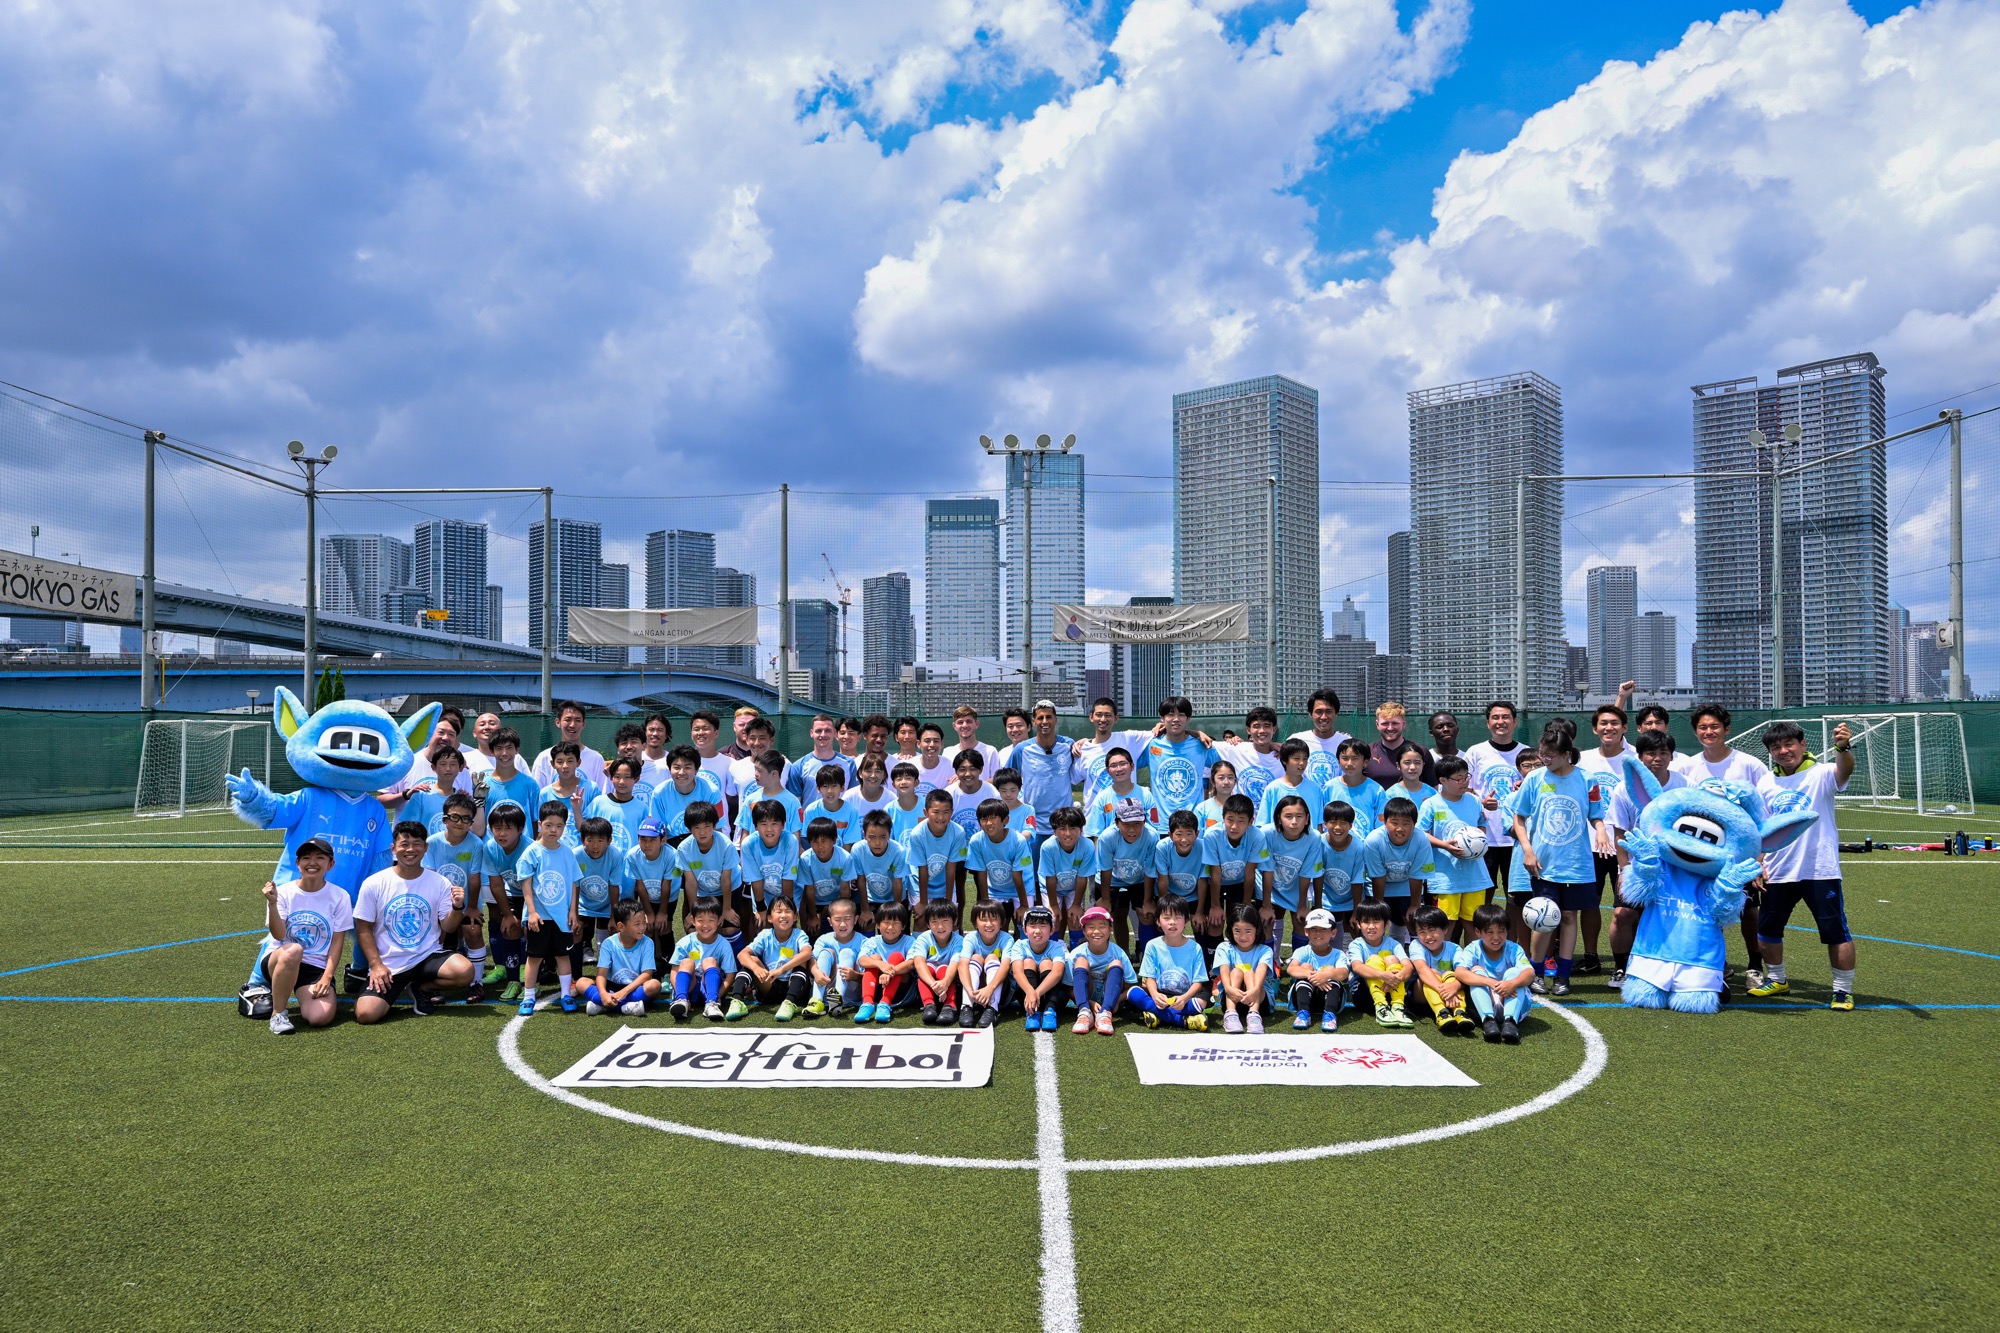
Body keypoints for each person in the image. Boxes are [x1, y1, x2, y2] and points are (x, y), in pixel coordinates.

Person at [1750, 721, 1859, 1009]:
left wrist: (1843, 747)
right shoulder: (1765, 783)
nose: (1784, 751)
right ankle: (1777, 980)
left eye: (1789, 744)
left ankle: (1842, 991)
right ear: (1770, 752)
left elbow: (1844, 770)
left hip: (1819, 869)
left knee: (1836, 932)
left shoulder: (1822, 772)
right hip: (1777, 870)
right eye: (1776, 747)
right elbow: (1762, 828)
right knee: (1768, 930)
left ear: (1802, 744)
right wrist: (1758, 864)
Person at [1674, 701, 1782, 987]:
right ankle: (1716, 965)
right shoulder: (1687, 766)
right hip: (1702, 854)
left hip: (1739, 856)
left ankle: (1754, 966)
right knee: (1706, 908)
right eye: (1703, 727)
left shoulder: (1748, 764)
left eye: (1714, 727)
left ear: (1726, 729)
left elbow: (1764, 814)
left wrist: (1759, 859)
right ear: (1696, 732)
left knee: (1748, 909)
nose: (1709, 732)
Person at [1513, 718, 1607, 998]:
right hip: (1543, 864)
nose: (1545, 759)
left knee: (1568, 917)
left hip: (1577, 864)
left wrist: (1601, 830)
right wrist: (1528, 850)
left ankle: (1563, 977)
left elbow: (1596, 815)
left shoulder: (1587, 779)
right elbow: (1520, 818)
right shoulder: (1534, 778)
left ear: (1567, 754)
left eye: (1551, 755)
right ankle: (1537, 973)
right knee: (1543, 919)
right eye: (1543, 754)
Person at [352, 821, 476, 1024]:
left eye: (417, 844)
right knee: (366, 1015)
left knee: (464, 971)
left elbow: (449, 927)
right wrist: (376, 965)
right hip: (390, 963)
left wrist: (457, 907)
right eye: (404, 844)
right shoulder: (374, 883)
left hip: (427, 955)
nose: (410, 850)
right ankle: (396, 985)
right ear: (393, 849)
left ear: (426, 848)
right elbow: (364, 929)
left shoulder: (439, 882)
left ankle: (420, 988)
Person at [1608, 729, 1683, 989]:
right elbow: (1619, 831)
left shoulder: (1683, 785)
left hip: (1675, 868)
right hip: (1637, 867)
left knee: (1673, 916)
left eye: (1663, 752)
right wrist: (1624, 869)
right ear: (1639, 757)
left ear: (1672, 756)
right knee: (1623, 914)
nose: (1657, 758)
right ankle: (1621, 967)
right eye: (1651, 753)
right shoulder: (1624, 788)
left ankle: (1671, 968)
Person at [253, 837, 349, 1034]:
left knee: (320, 1017)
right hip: (281, 958)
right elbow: (279, 934)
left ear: (331, 864)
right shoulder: (284, 892)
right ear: (298, 863)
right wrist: (272, 903)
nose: (312, 863)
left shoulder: (340, 896)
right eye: (306, 858)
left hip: (314, 967)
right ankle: (278, 1014)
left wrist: (326, 977)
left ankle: (287, 991)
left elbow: (337, 942)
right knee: (294, 950)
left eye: (319, 858)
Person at [1575, 704, 1636, 976]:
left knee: (1629, 907)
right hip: (1590, 844)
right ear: (1594, 728)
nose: (1608, 727)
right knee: (1589, 904)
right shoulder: (1583, 759)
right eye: (1602, 723)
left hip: (1629, 846)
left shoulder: (1637, 757)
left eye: (1614, 723)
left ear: (1625, 728)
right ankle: (1591, 956)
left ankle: (1631, 960)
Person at [515, 801, 584, 1015]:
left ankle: (565, 994)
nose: (554, 830)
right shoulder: (531, 852)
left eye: (559, 826)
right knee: (534, 957)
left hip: (562, 917)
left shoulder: (567, 853)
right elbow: (526, 884)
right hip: (540, 917)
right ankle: (528, 998)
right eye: (548, 825)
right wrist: (532, 912)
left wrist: (573, 911)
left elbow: (573, 883)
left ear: (565, 827)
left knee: (563, 956)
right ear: (539, 825)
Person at [1418, 757, 1493, 944]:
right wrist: (1445, 845)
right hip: (1445, 877)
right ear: (1443, 781)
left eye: (1466, 777)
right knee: (1446, 924)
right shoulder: (1431, 804)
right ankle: (1444, 965)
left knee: (1473, 924)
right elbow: (1421, 833)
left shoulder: (1474, 801)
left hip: (1474, 875)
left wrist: (1478, 844)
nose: (1464, 782)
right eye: (1458, 779)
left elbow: (1482, 825)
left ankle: (1470, 964)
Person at [423, 791, 490, 1001]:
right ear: (445, 819)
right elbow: (431, 878)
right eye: (454, 817)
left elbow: (474, 878)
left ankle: (476, 983)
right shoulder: (431, 842)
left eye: (465, 818)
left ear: (471, 821)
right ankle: (435, 984)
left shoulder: (476, 844)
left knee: (473, 930)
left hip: (467, 902)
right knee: (438, 937)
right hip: (439, 903)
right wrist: (437, 911)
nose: (459, 822)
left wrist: (471, 907)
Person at [1001, 701, 1085, 856]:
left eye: (1049, 717)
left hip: (1063, 824)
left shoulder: (1069, 745)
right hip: (1033, 825)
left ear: (1056, 719)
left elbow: (1084, 768)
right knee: (1033, 876)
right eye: (1040, 718)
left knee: (1063, 876)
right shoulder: (1022, 749)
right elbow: (1005, 780)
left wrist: (1086, 741)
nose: (1044, 722)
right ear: (1033, 722)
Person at [1464, 700, 1526, 896]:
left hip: (1517, 837)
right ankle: (1483, 929)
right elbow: (1463, 789)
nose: (1501, 722)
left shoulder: (1526, 753)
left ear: (1515, 722)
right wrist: (1480, 802)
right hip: (1484, 838)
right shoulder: (1476, 752)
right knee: (1483, 895)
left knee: (1516, 896)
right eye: (1496, 717)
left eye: (1506, 717)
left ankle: (1513, 929)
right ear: (1488, 723)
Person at [1455, 903, 1534, 1043]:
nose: (1496, 937)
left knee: (1515, 972)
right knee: (1476, 971)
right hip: (1483, 1003)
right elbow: (1460, 972)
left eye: (1501, 931)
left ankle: (1511, 1022)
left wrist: (1512, 983)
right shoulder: (1473, 948)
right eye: (1490, 932)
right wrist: (1490, 982)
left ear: (1507, 931)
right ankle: (1488, 1021)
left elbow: (1529, 973)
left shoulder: (1514, 948)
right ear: (1478, 932)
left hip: (1512, 1000)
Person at [1126, 896, 1209, 1030]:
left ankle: (1157, 1014)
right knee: (1133, 992)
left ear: (1186, 921)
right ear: (1158, 921)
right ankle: (1184, 1021)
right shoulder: (1153, 945)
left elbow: (1199, 982)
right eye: (1167, 918)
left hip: (1185, 996)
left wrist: (1185, 998)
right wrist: (1155, 995)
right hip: (1160, 995)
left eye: (1178, 917)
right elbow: (1149, 978)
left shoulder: (1195, 948)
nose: (1172, 922)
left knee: (1201, 1001)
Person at [1199, 793, 1270, 949]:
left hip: (1240, 884)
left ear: (1251, 822)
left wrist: (1245, 905)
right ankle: (1214, 964)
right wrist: (1215, 906)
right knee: (1215, 922)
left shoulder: (1257, 837)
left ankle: (1239, 959)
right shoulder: (1212, 835)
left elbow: (1250, 873)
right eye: (1230, 820)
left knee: (1240, 921)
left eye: (1241, 821)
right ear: (1223, 818)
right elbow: (1215, 873)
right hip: (1216, 883)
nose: (1234, 826)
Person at [729, 895, 814, 1021]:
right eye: (778, 912)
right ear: (769, 918)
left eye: (788, 911)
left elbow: (807, 953)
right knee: (752, 960)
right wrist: (755, 968)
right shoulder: (765, 935)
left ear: (795, 917)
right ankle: (737, 1001)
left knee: (800, 960)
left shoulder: (799, 934)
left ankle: (789, 1003)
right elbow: (741, 954)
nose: (783, 915)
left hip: (795, 986)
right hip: (770, 986)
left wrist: (781, 970)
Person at [1262, 793, 1325, 955]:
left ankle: (1300, 967)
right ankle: (1271, 967)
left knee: (1301, 921)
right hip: (1270, 885)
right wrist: (1266, 905)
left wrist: (1303, 905)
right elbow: (1267, 869)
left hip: (1296, 887)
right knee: (1267, 922)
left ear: (1307, 818)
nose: (1294, 822)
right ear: (1278, 817)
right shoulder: (1267, 833)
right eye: (1288, 816)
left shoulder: (1314, 837)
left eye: (1299, 816)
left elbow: (1307, 872)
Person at [1095, 797, 1160, 954]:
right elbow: (1105, 869)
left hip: (1139, 879)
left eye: (1137, 824)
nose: (1132, 830)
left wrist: (1147, 901)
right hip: (1112, 880)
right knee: (1114, 915)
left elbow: (1151, 870)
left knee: (1147, 915)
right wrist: (1105, 899)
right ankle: (1123, 955)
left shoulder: (1151, 836)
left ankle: (1147, 956)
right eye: (1127, 824)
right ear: (1117, 823)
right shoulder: (1107, 837)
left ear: (1144, 821)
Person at [1363, 795, 1431, 939]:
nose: (1400, 829)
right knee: (1375, 921)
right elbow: (1378, 877)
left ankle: (1406, 952)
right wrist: (1379, 907)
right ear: (1385, 822)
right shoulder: (1373, 840)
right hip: (1379, 887)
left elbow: (1417, 876)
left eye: (1406, 823)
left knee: (1412, 919)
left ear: (1414, 823)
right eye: (1394, 822)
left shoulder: (1421, 839)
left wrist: (1414, 905)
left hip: (1406, 885)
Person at [480, 804, 529, 1000]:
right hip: (511, 892)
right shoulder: (491, 847)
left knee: (530, 930)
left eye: (508, 828)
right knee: (509, 929)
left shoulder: (530, 848)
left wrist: (528, 914)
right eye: (497, 828)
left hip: (534, 895)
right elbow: (497, 884)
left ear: (520, 829)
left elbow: (533, 887)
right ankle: (513, 981)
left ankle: (532, 980)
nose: (502, 833)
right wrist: (508, 915)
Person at [965, 797, 1035, 933]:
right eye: (984, 819)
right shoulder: (976, 840)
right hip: (995, 890)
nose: (988, 823)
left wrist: (1024, 905)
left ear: (1005, 820)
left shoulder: (1018, 840)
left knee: (1024, 928)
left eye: (993, 818)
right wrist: (986, 903)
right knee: (994, 928)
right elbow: (981, 872)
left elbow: (1017, 875)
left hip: (1022, 889)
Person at [674, 801, 741, 943]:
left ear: (715, 826)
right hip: (703, 892)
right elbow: (690, 882)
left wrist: (727, 909)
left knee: (731, 928)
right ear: (689, 828)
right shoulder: (684, 848)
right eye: (697, 827)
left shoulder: (726, 845)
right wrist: (693, 912)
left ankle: (731, 959)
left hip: (729, 889)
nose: (702, 832)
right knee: (694, 929)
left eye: (707, 826)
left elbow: (726, 879)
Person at [1144, 696, 1221, 817]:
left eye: (1181, 714)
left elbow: (1229, 765)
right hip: (1161, 823)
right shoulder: (1150, 745)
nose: (1176, 719)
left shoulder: (1202, 745)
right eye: (1170, 715)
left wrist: (1234, 740)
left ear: (1188, 718)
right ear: (1162, 719)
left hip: (1194, 822)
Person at [578, 901, 658, 1016]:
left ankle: (604, 1005)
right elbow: (601, 974)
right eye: (637, 924)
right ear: (621, 926)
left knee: (654, 985)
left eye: (644, 922)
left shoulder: (647, 943)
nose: (642, 927)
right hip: (611, 987)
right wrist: (603, 994)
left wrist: (623, 993)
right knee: (581, 983)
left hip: (634, 988)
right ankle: (625, 1007)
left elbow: (647, 975)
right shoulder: (609, 943)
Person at [1075, 697, 1156, 809]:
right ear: (1091, 717)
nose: (1103, 719)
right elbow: (1074, 778)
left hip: (1127, 817)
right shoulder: (1082, 749)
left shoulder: (1129, 739)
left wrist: (1159, 726)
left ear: (1116, 718)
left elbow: (1160, 732)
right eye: (1099, 714)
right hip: (1094, 817)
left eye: (1108, 715)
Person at [1408, 903, 1474, 1034]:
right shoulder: (1416, 945)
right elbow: (1421, 969)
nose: (1428, 937)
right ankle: (1441, 1013)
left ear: (1445, 929)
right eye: (1422, 932)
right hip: (1422, 999)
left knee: (1453, 975)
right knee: (1431, 972)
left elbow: (1465, 972)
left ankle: (1460, 1013)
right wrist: (1444, 992)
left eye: (1432, 930)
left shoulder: (1454, 948)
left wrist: (1454, 986)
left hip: (1451, 997)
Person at [1066, 905, 1133, 1035]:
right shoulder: (1076, 953)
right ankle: (1084, 1012)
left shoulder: (1118, 953)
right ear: (1084, 931)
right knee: (1081, 961)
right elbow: (1068, 988)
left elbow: (1131, 986)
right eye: (1091, 927)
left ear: (1110, 929)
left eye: (1102, 926)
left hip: (1112, 999)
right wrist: (1089, 1003)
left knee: (1116, 963)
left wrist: (1116, 1000)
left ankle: (1105, 1014)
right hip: (1088, 997)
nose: (1096, 931)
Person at [1345, 899, 1413, 1028]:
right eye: (1366, 922)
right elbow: (1357, 967)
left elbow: (1408, 967)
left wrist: (1394, 978)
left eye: (1376, 921)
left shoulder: (1393, 943)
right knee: (1374, 959)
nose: (1371, 926)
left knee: (1391, 959)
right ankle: (1380, 1006)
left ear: (1387, 924)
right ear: (1359, 924)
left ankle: (1398, 1007)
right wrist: (1383, 975)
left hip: (1390, 991)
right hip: (1364, 996)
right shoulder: (1356, 944)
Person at [667, 898, 737, 1022]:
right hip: (690, 987)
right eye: (700, 920)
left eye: (711, 920)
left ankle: (711, 1003)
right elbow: (674, 971)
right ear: (693, 920)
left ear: (720, 920)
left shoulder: (723, 944)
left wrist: (718, 995)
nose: (705, 925)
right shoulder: (685, 942)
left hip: (711, 989)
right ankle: (681, 1001)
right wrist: (680, 993)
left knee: (709, 961)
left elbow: (730, 976)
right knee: (687, 962)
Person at [905, 789, 969, 919]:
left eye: (946, 812)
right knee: (921, 919)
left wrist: (948, 901)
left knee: (948, 920)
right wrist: (923, 902)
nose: (941, 817)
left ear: (952, 812)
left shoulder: (958, 832)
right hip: (919, 883)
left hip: (944, 884)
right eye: (936, 812)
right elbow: (922, 868)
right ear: (926, 812)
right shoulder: (917, 834)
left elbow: (951, 868)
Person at [738, 800, 800, 933]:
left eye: (774, 824)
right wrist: (761, 908)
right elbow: (756, 879)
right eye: (764, 824)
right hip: (763, 893)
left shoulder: (790, 841)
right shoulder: (748, 844)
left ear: (783, 825)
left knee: (787, 926)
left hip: (789, 892)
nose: (769, 829)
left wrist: (787, 909)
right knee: (761, 925)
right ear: (755, 826)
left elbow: (788, 879)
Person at [1212, 904, 1275, 1034]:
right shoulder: (1224, 948)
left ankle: (1254, 1015)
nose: (1243, 936)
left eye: (1248, 931)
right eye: (1237, 931)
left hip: (1259, 1000)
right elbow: (1224, 973)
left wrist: (1255, 990)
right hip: (1232, 997)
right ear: (1230, 929)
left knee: (1250, 973)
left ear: (1257, 930)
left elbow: (1262, 971)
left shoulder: (1265, 950)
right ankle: (1230, 1014)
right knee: (1235, 972)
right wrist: (1229, 989)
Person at [1037, 805, 1098, 938]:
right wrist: (1053, 905)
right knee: (1054, 919)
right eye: (1062, 828)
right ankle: (1054, 951)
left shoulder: (1087, 846)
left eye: (1073, 828)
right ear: (1054, 831)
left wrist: (1076, 905)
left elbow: (1082, 878)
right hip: (1050, 889)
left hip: (1073, 888)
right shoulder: (1048, 847)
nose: (1068, 833)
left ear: (1081, 830)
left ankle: (1076, 951)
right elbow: (1050, 878)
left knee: (1075, 919)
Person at [1284, 907, 1349, 1032]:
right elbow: (1291, 969)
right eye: (1313, 929)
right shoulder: (1302, 951)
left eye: (1323, 929)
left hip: (1331, 1000)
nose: (1318, 933)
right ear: (1306, 932)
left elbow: (1344, 973)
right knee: (1305, 967)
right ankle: (1303, 1014)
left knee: (1331, 971)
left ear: (1333, 933)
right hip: (1303, 998)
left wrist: (1326, 975)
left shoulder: (1338, 954)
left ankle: (1329, 1015)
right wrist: (1312, 975)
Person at [847, 808, 909, 933]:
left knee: (893, 930)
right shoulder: (858, 850)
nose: (877, 842)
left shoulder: (899, 851)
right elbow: (861, 879)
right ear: (864, 835)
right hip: (871, 897)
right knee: (866, 924)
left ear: (889, 834)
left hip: (895, 898)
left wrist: (896, 911)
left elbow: (898, 882)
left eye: (882, 837)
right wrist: (865, 910)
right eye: (872, 837)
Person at [573, 817, 626, 964]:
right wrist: (575, 914)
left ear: (609, 840)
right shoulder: (576, 855)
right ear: (582, 840)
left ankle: (605, 958)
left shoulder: (615, 855)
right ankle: (582, 954)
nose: (595, 846)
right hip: (584, 904)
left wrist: (613, 916)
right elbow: (575, 885)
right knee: (580, 929)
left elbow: (614, 886)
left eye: (600, 841)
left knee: (606, 932)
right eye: (590, 840)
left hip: (606, 902)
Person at [790, 816, 854, 937]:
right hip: (815, 902)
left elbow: (845, 889)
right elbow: (809, 889)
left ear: (834, 840)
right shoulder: (806, 859)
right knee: (813, 927)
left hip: (836, 900)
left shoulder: (845, 858)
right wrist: (813, 916)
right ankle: (805, 935)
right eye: (815, 842)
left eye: (824, 841)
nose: (820, 846)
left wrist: (840, 912)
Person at [1009, 904, 1069, 1031]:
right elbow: (1017, 972)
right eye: (1033, 926)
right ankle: (1032, 1012)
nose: (1037, 930)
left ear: (1052, 930)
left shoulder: (1057, 946)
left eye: (1043, 926)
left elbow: (1057, 973)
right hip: (1026, 997)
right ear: (1024, 930)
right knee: (1028, 962)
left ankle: (1049, 1011)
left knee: (1046, 963)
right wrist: (1030, 992)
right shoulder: (1019, 945)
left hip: (1052, 997)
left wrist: (1035, 993)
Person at [648, 745, 725, 840]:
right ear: (669, 769)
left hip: (703, 843)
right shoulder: (659, 792)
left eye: (687, 767)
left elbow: (718, 829)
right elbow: (658, 830)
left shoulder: (711, 791)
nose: (681, 772)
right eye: (676, 767)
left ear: (696, 769)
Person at [854, 902, 915, 1023]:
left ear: (903, 926)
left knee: (896, 956)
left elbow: (912, 963)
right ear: (877, 924)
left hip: (900, 990)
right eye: (886, 923)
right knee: (874, 958)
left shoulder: (909, 941)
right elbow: (861, 959)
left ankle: (885, 1003)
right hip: (875, 988)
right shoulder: (872, 941)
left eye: (896, 923)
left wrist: (890, 972)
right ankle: (867, 1003)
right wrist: (880, 964)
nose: (890, 927)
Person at [958, 900, 1013, 1028]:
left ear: (1002, 922)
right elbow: (962, 964)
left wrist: (990, 988)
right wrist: (970, 991)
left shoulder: (1006, 938)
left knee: (992, 957)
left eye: (994, 919)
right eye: (983, 919)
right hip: (974, 990)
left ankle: (991, 1008)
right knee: (976, 957)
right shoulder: (971, 938)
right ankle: (967, 1006)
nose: (989, 924)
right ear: (975, 923)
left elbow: (1006, 965)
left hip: (997, 989)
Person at [626, 817, 680, 950]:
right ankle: (649, 961)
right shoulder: (632, 855)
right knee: (646, 927)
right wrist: (649, 913)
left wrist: (662, 912)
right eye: (642, 839)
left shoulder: (671, 855)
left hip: (668, 897)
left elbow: (666, 885)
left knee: (664, 926)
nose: (647, 844)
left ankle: (668, 962)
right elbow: (640, 886)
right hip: (646, 895)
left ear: (663, 840)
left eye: (652, 840)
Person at [805, 896, 863, 1018]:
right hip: (826, 988)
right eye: (837, 920)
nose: (842, 924)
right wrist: (816, 972)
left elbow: (868, 975)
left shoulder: (864, 941)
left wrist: (855, 975)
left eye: (847, 919)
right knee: (827, 952)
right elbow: (812, 959)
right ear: (830, 921)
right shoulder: (823, 939)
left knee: (846, 952)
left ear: (856, 919)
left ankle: (838, 998)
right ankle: (817, 1000)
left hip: (852, 991)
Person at [1083, 747, 1161, 836]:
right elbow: (1095, 833)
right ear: (1108, 771)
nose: (1119, 769)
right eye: (1113, 765)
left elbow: (1154, 830)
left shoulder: (1146, 795)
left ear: (1132, 766)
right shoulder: (1101, 799)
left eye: (1123, 764)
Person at [531, 700, 607, 790]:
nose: (572, 725)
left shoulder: (596, 759)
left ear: (583, 724)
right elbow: (537, 795)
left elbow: (602, 795)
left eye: (578, 720)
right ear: (557, 722)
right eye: (568, 719)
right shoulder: (544, 758)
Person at [1287, 688, 1351, 794]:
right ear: (1310, 714)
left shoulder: (1346, 742)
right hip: (1305, 805)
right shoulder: (1296, 740)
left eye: (1329, 711)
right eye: (1319, 712)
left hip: (1335, 805)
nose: (1324, 717)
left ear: (1336, 713)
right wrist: (1272, 745)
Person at [910, 901, 964, 1026]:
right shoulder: (923, 938)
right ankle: (929, 1005)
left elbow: (955, 963)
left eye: (945, 921)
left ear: (954, 921)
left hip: (949, 981)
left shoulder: (959, 941)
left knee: (944, 968)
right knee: (927, 967)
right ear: (928, 924)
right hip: (930, 982)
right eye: (934, 922)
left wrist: (945, 983)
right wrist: (934, 984)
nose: (940, 927)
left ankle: (950, 1006)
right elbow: (919, 963)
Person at [1223, 705, 1286, 812]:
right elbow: (1202, 742)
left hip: (1271, 823)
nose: (1261, 731)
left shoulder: (1283, 756)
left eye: (1266, 726)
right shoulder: (1235, 749)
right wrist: (1198, 733)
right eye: (1256, 726)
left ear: (1274, 729)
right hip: (1241, 823)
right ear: (1248, 730)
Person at [1318, 800, 1366, 938]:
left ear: (1351, 825)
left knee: (1354, 930)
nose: (1338, 827)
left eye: (1344, 823)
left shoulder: (1358, 847)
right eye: (1333, 821)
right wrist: (1318, 905)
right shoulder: (1319, 843)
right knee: (1329, 935)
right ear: (1325, 823)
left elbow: (1357, 881)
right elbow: (1318, 876)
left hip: (1351, 899)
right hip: (1328, 899)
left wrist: (1356, 911)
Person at [733, 748, 801, 843]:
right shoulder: (750, 799)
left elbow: (796, 835)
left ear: (774, 773)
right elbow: (745, 833)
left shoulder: (792, 802)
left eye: (760, 771)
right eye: (755, 769)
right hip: (755, 857)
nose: (755, 774)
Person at [1363, 702, 1438, 788]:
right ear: (1377, 725)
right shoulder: (1366, 752)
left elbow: (1433, 788)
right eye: (1385, 723)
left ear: (1404, 724)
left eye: (1395, 723)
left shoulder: (1420, 752)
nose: (1390, 728)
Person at [1255, 738, 1326, 828]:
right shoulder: (1273, 788)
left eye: (1305, 759)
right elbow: (1262, 824)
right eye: (1296, 758)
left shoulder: (1315, 788)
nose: (1302, 763)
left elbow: (1319, 824)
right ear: (1284, 760)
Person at [482, 727, 543, 825]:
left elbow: (535, 821)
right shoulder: (484, 785)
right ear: (492, 751)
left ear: (517, 749)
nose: (504, 753)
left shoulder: (530, 784)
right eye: (499, 748)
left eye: (509, 747)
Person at [689, 711, 741, 824]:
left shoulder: (730, 763)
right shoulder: (685, 763)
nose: (700, 733)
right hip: (690, 828)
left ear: (716, 733)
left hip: (720, 828)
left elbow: (728, 796)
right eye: (696, 729)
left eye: (705, 728)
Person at [538, 741, 595, 845]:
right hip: (554, 853)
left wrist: (577, 810)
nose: (565, 766)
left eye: (570, 761)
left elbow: (593, 831)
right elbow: (541, 832)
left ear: (578, 762)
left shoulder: (591, 789)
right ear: (552, 764)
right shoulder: (545, 793)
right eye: (560, 761)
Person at [1329, 738, 1387, 839]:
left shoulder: (1376, 790)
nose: (1349, 763)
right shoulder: (1330, 787)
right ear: (1338, 761)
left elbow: (1380, 827)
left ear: (1365, 762)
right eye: (1345, 758)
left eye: (1355, 758)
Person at [588, 757, 650, 849]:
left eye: (627, 777)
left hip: (630, 862)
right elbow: (585, 828)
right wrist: (577, 809)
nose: (621, 782)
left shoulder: (642, 808)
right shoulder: (599, 802)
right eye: (617, 777)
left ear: (636, 779)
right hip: (603, 861)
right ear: (611, 778)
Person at [1152, 809, 1205, 917]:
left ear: (1197, 834)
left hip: (1193, 896)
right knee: (1167, 924)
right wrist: (1165, 909)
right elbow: (1163, 881)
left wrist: (1200, 912)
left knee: (1201, 927)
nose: (1184, 840)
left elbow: (1202, 881)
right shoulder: (1162, 847)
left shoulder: (1203, 847)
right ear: (1170, 835)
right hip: (1169, 896)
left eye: (1189, 834)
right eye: (1179, 834)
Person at [792, 714, 857, 799]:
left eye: (827, 730)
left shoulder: (849, 764)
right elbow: (796, 804)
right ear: (811, 733)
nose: (823, 735)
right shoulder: (798, 766)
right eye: (818, 731)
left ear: (834, 733)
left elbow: (854, 798)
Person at [946, 748, 999, 838]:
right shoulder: (948, 794)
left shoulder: (993, 793)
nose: (967, 774)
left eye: (972, 769)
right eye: (962, 769)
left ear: (981, 769)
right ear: (956, 772)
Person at [802, 764, 854, 848]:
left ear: (842, 787)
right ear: (818, 789)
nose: (830, 791)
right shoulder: (811, 810)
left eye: (834, 786)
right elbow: (807, 840)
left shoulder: (852, 811)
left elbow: (848, 844)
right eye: (825, 786)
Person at [945, 704, 1000, 781]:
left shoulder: (990, 751)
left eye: (969, 721)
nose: (964, 725)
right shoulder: (947, 752)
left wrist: (968, 781)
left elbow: (996, 780)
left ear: (976, 724)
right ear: (954, 726)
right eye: (960, 722)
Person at [1192, 760, 1237, 834]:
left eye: (1230, 777)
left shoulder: (1242, 807)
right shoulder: (1202, 809)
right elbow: (1198, 840)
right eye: (1221, 778)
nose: (1226, 782)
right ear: (1212, 781)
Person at [911, 721, 955, 796]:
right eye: (927, 741)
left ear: (942, 744)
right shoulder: (910, 766)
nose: (932, 745)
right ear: (918, 744)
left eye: (936, 741)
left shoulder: (950, 767)